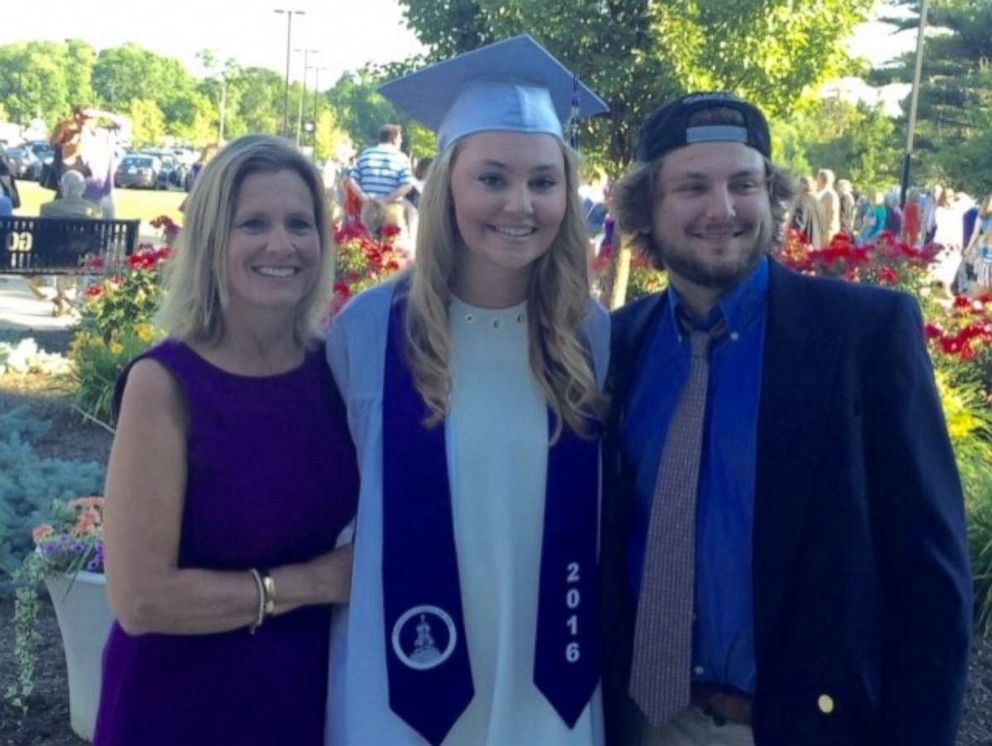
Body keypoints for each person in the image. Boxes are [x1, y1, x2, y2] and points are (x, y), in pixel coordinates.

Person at [602, 92, 971, 746]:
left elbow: (930, 577)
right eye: (693, 186)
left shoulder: (862, 336)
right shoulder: (616, 347)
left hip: (802, 726)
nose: (723, 209)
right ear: (645, 210)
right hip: (644, 722)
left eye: (744, 184)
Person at [325, 35, 610, 746]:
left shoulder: (592, 337)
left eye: (543, 181)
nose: (520, 203)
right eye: (493, 178)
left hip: (552, 682)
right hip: (401, 676)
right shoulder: (367, 332)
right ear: (448, 181)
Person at [94, 135, 359, 746]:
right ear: (214, 240)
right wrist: (312, 584)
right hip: (178, 707)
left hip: (304, 699)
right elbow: (140, 599)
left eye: (299, 223)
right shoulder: (165, 385)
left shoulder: (339, 374)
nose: (281, 245)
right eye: (254, 224)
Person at [348, 123, 417, 237]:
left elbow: (352, 180)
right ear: (394, 139)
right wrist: (386, 199)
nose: (401, 142)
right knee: (391, 246)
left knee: (367, 245)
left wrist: (364, 197)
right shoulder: (401, 157)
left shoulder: (366, 155)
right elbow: (407, 185)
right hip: (392, 208)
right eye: (400, 138)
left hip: (369, 206)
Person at [788, 175, 824, 247]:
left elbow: (798, 226)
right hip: (817, 244)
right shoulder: (819, 203)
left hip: (804, 246)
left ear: (801, 185)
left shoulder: (800, 201)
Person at [815, 168, 840, 246]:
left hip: (827, 234)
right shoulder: (825, 193)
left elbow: (832, 216)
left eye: (818, 178)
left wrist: (828, 234)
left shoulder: (829, 195)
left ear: (822, 180)